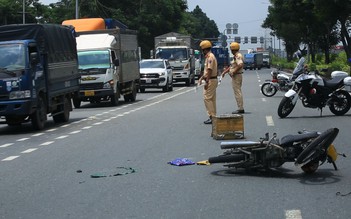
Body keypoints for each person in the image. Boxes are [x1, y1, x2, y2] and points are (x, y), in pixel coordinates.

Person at [221, 42, 245, 114]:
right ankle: (240, 107)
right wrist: (225, 72)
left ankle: (240, 108)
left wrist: (234, 72)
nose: (231, 50)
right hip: (236, 76)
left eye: (231, 49)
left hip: (237, 76)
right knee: (237, 91)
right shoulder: (236, 56)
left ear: (233, 49)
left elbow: (240, 64)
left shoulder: (238, 55)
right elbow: (232, 66)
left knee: (237, 92)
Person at [198, 40, 218, 124]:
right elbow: (207, 71)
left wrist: (206, 81)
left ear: (204, 49)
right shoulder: (210, 56)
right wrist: (202, 77)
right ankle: (214, 116)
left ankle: (211, 116)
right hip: (212, 79)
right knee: (212, 99)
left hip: (211, 80)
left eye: (202, 49)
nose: (202, 51)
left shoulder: (210, 57)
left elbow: (209, 70)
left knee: (207, 98)